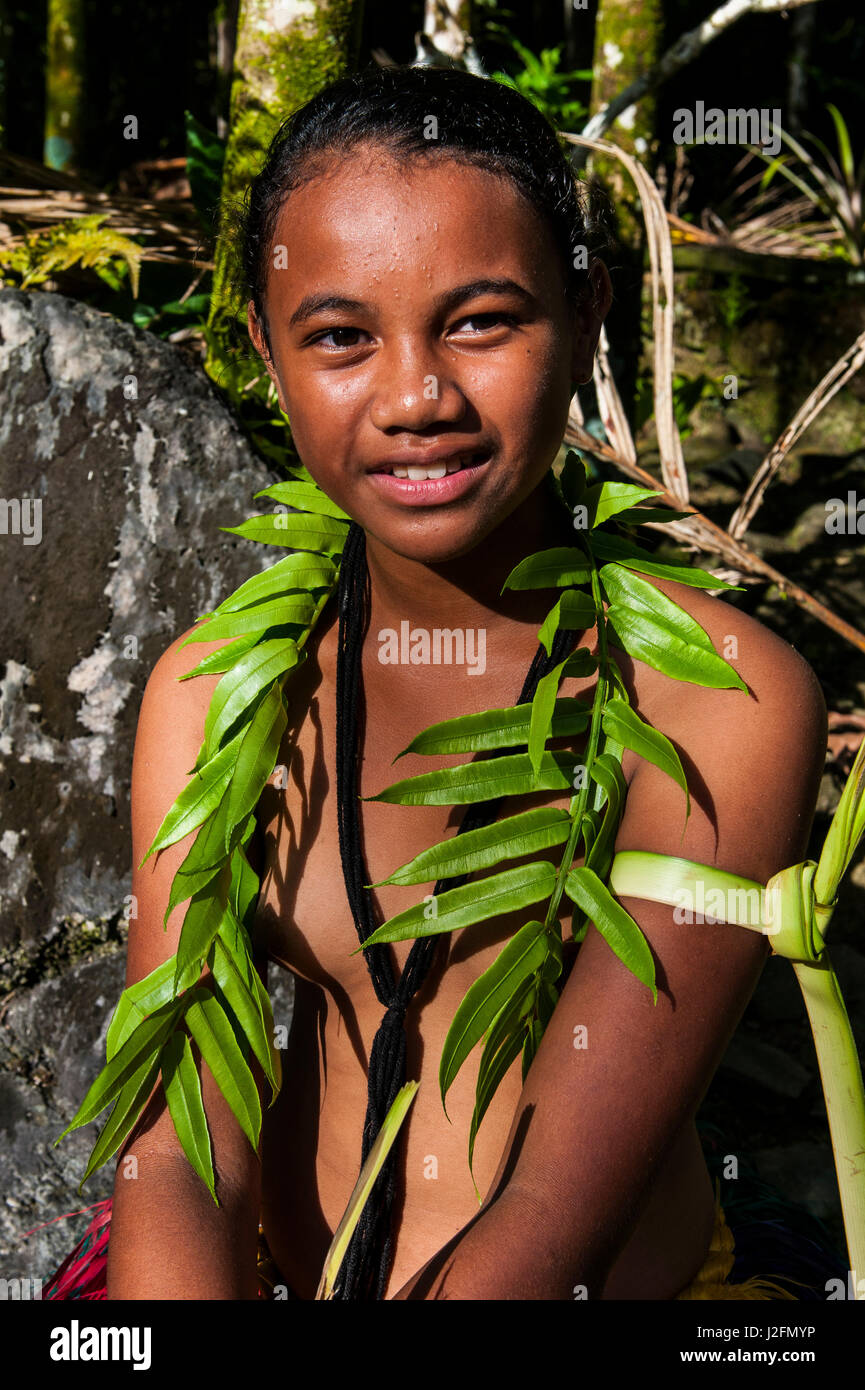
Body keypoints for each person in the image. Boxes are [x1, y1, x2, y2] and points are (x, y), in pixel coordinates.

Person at [50, 63, 838, 1302]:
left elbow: (550, 1214)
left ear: (587, 315)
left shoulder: (718, 700)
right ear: (263, 348)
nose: (416, 397)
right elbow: (178, 1151)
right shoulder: (214, 695)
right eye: (341, 338)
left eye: (481, 321)